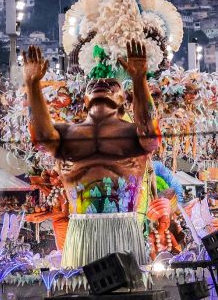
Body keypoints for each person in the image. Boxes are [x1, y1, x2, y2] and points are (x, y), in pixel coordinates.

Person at [23, 41, 160, 266]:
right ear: (84, 102)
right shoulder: (64, 133)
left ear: (123, 102)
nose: (101, 83)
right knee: (79, 294)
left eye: (112, 84)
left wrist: (139, 79)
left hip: (123, 229)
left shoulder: (133, 134)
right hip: (81, 232)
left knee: (129, 295)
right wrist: (32, 83)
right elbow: (40, 137)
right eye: (94, 83)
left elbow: (151, 132)